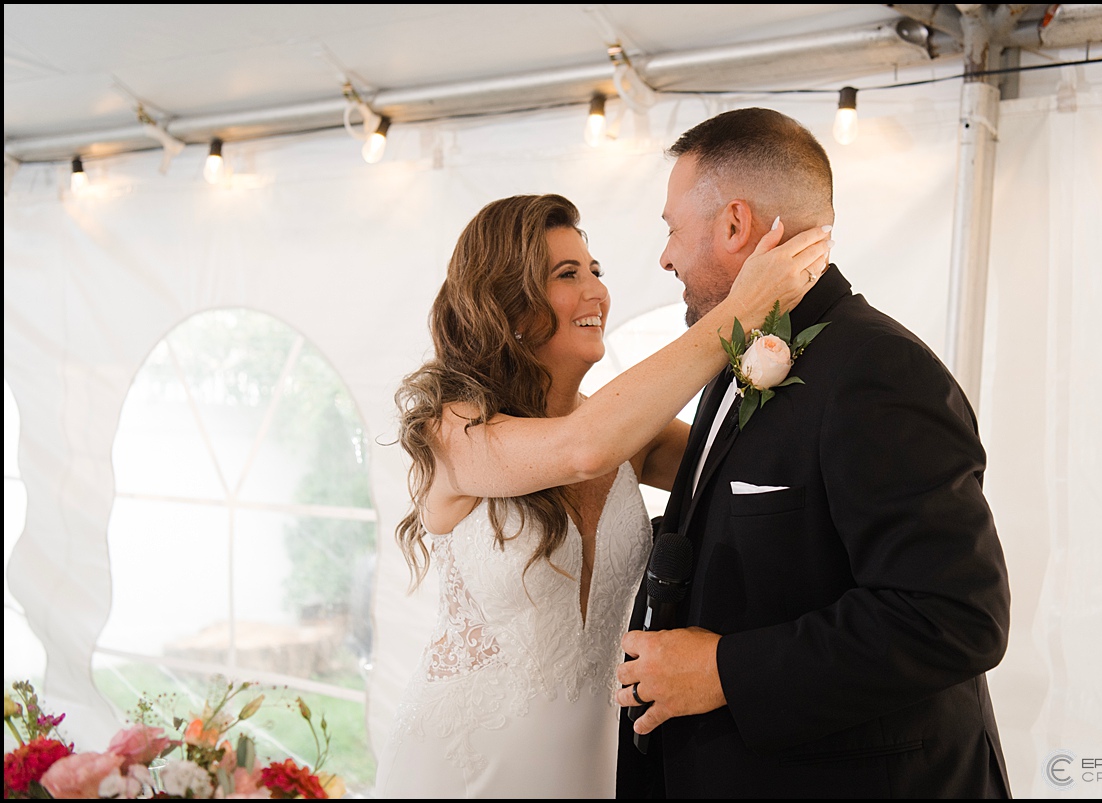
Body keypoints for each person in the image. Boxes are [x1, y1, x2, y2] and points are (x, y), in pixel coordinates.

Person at [372, 193, 831, 798]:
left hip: (593, 767)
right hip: (460, 766)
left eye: (596, 272)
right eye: (567, 275)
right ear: (507, 302)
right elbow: (582, 447)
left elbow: (735, 468)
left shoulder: (621, 434)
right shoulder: (453, 430)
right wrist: (742, 308)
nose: (596, 292)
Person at [614, 107, 1012, 798]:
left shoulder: (877, 368)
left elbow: (954, 615)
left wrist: (723, 669)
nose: (666, 256)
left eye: (672, 229)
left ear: (734, 224)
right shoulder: (739, 353)